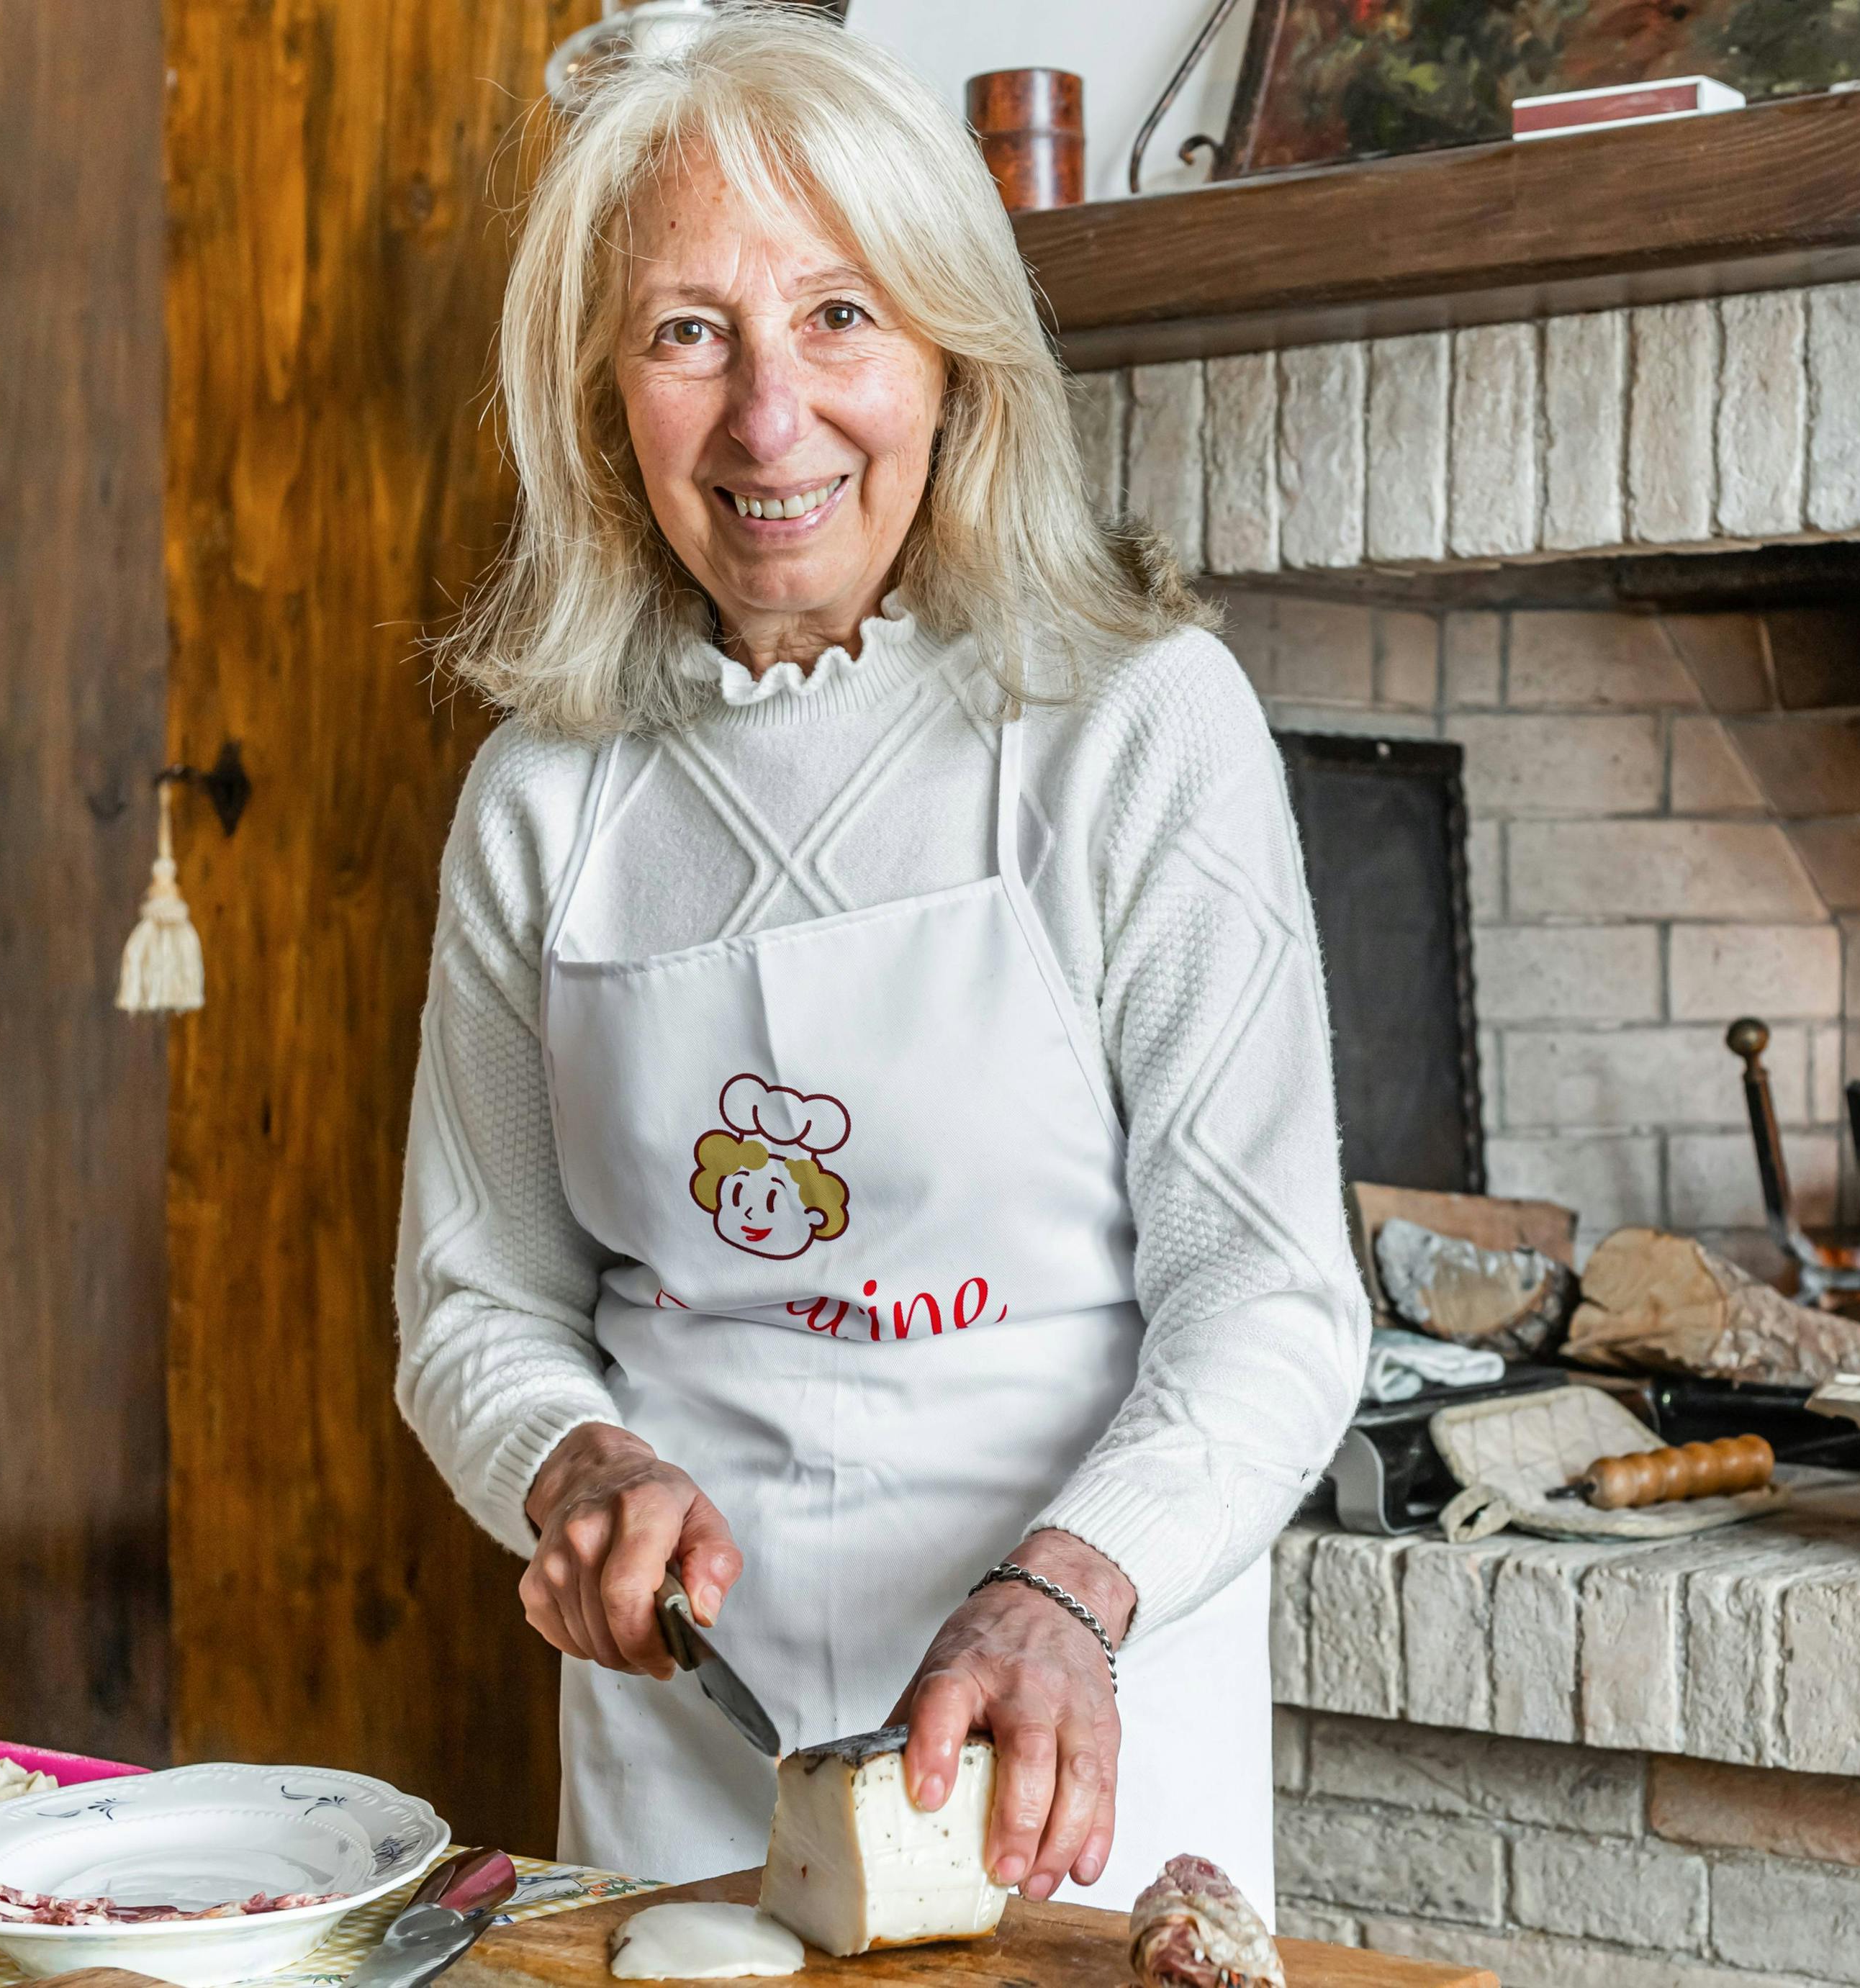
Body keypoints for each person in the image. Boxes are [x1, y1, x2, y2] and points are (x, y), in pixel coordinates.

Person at [390, 1, 1367, 1920]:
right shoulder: (540, 797)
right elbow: (472, 1301)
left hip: (1072, 1731)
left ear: (951, 347)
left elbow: (1273, 1297)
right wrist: (569, 1457)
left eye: (841, 315)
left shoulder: (1138, 725)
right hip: (691, 1749)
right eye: (689, 332)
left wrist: (1065, 1581)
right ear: (603, 391)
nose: (772, 418)